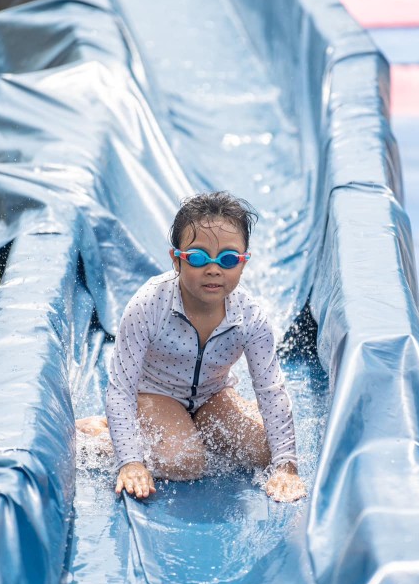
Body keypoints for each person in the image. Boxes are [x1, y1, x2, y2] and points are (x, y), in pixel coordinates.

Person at [77, 191, 307, 503]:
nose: (214, 269)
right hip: (156, 394)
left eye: (228, 259)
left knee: (269, 449)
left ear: (243, 263)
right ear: (176, 260)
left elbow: (271, 389)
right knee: (185, 461)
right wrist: (130, 461)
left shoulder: (249, 315)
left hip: (213, 396)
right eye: (198, 258)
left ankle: (186, 430)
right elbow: (121, 388)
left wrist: (286, 467)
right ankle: (105, 434)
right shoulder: (148, 305)